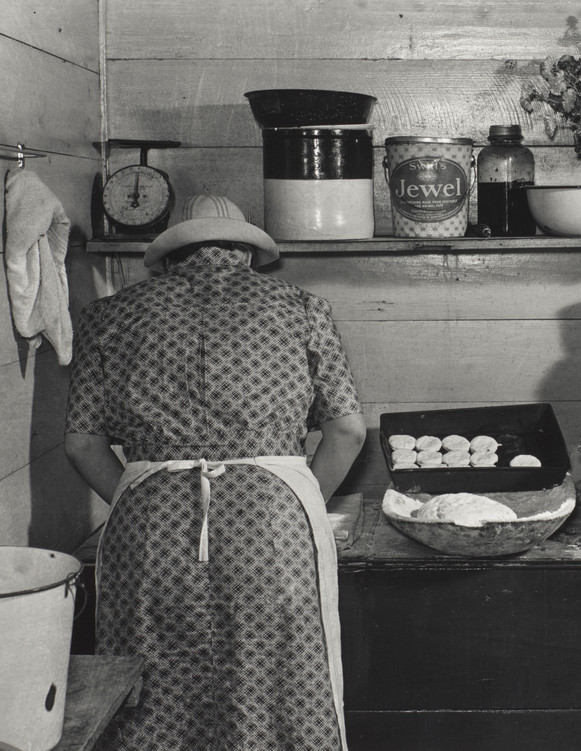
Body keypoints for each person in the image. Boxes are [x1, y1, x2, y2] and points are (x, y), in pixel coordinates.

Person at [65, 195, 366, 751]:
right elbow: (347, 431)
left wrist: (138, 493)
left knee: (148, 686)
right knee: (277, 680)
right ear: (249, 254)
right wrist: (295, 499)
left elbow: (82, 442)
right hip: (273, 527)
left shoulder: (109, 315)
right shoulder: (301, 307)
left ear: (172, 257)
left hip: (150, 528)